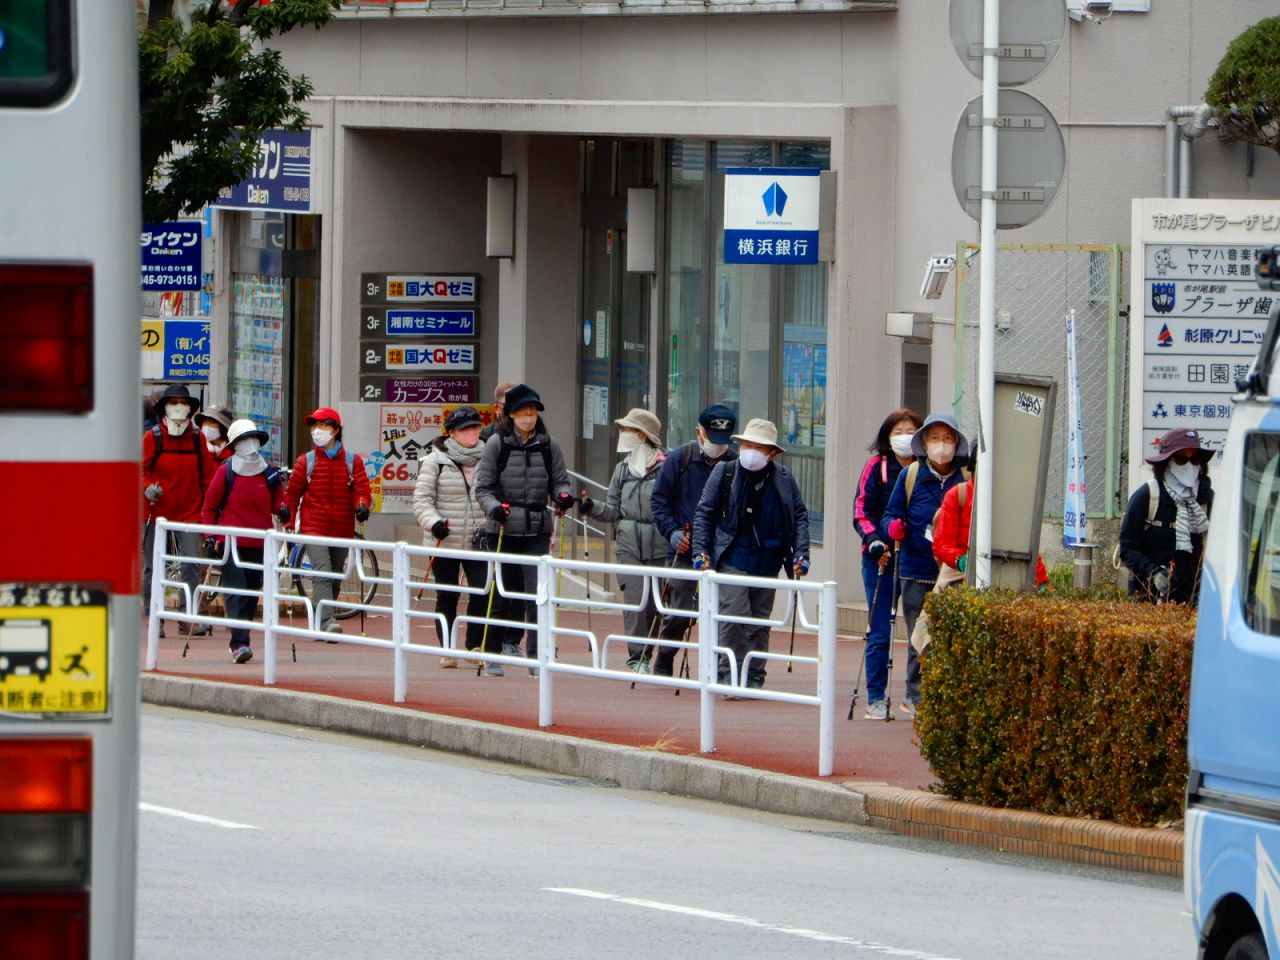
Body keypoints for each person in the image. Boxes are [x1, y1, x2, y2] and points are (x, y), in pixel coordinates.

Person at [692, 418, 809, 691]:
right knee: (734, 616)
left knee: (758, 622)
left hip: (768, 560)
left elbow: (800, 516)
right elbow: (704, 512)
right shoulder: (725, 472)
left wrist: (801, 553)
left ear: (772, 453)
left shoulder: (784, 479)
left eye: (759, 446)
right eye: (747, 444)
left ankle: (755, 676)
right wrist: (701, 551)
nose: (751, 451)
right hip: (732, 556)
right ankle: (728, 672)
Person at [473, 384, 573, 673]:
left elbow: (560, 481)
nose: (528, 416)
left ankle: (536, 659)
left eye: (532, 411)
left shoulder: (548, 444)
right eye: (522, 411)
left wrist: (564, 495)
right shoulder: (497, 443)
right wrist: (493, 507)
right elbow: (484, 488)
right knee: (502, 593)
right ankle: (492, 654)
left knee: (537, 596)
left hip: (537, 529)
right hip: (503, 526)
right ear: (511, 415)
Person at [883, 412, 969, 716]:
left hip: (955, 573)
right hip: (916, 569)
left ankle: (946, 697)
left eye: (947, 439)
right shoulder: (911, 476)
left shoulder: (966, 479)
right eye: (934, 438)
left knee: (952, 636)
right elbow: (889, 515)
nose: (941, 446)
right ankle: (916, 695)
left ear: (957, 444)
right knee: (919, 637)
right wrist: (893, 527)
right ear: (924, 442)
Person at [649, 403, 738, 677]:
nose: (718, 446)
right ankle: (665, 656)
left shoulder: (735, 463)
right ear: (699, 432)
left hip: (721, 551)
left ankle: (718, 671)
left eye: (723, 441)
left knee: (723, 615)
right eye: (712, 439)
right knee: (679, 613)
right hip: (685, 549)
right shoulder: (680, 459)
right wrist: (673, 532)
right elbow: (659, 501)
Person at [412, 405, 499, 675]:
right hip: (445, 540)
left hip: (478, 540)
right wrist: (433, 522)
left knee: (481, 593)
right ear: (451, 433)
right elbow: (422, 500)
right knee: (447, 597)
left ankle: (474, 647)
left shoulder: (491, 459)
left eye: (475, 427)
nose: (472, 433)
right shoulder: (434, 461)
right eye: (465, 429)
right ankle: (447, 649)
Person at [579, 408, 667, 673]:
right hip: (629, 543)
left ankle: (650, 651)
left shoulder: (667, 467)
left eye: (626, 430)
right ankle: (636, 656)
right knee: (634, 601)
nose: (622, 434)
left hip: (660, 543)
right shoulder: (622, 469)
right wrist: (591, 507)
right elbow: (613, 509)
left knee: (655, 606)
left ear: (641, 435)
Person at [852, 408, 922, 720]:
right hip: (878, 560)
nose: (904, 437)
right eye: (898, 432)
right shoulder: (876, 467)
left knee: (920, 632)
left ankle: (915, 694)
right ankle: (876, 697)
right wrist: (874, 543)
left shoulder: (927, 470)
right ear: (887, 437)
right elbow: (861, 511)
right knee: (879, 632)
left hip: (916, 563)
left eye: (911, 431)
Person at [282, 407, 374, 636]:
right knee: (322, 571)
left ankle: (321, 617)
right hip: (314, 527)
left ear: (335, 430)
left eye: (322, 425)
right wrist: (289, 523)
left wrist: (362, 505)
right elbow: (291, 495)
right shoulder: (306, 462)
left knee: (335, 576)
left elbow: (361, 491)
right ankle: (328, 622)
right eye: (314, 426)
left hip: (342, 527)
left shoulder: (353, 462)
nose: (317, 431)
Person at [201, 419, 285, 664]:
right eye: (244, 440)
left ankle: (241, 632)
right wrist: (211, 537)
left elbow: (279, 502)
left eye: (252, 439)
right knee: (236, 592)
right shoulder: (225, 472)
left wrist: (284, 510)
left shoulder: (269, 473)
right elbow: (209, 508)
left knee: (250, 594)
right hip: (230, 542)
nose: (250, 444)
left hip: (260, 543)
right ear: (235, 445)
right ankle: (239, 644)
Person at [142, 383, 217, 636]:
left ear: (189, 409)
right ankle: (156, 617)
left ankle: (188, 617)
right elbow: (141, 470)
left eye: (182, 403)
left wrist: (208, 508)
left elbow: (209, 477)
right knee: (154, 567)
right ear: (164, 408)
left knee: (190, 565)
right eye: (172, 403)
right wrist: (147, 487)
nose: (178, 407)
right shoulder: (153, 437)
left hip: (190, 511)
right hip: (156, 511)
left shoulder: (197, 438)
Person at [1119, 427, 1213, 606]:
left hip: (1196, 601)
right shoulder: (1148, 495)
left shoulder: (1207, 500)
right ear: (1166, 463)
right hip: (1149, 599)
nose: (1189, 465)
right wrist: (1154, 573)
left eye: (1195, 459)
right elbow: (1127, 546)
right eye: (1181, 459)